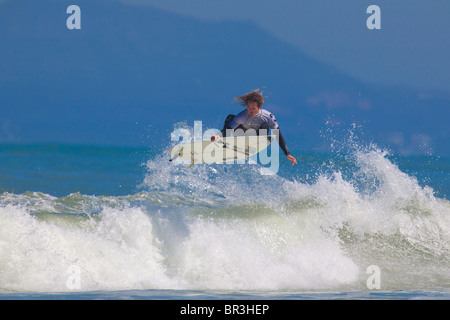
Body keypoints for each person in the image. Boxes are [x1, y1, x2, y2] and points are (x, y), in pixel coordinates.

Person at [211, 89, 298, 166]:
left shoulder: (268, 116)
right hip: (243, 135)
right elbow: (228, 129)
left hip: (257, 138)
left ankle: (256, 143)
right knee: (230, 118)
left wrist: (287, 153)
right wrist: (218, 135)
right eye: (248, 107)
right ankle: (224, 144)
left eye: (253, 108)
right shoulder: (242, 116)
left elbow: (278, 134)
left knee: (265, 125)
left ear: (259, 107)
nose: (250, 110)